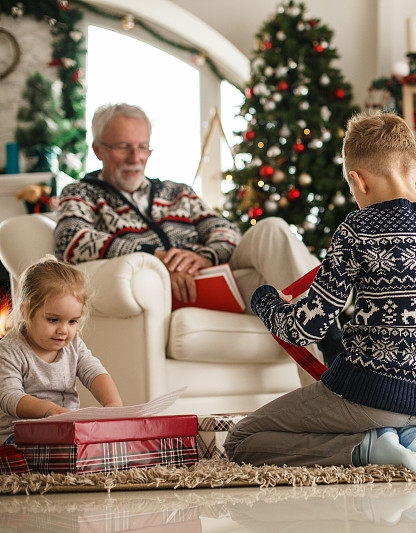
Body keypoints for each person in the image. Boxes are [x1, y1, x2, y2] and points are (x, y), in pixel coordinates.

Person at [224, 111, 416, 472]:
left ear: (358, 181)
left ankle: (367, 448)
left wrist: (265, 300)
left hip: (365, 393)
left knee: (242, 440)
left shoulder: (358, 229)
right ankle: (407, 436)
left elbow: (305, 329)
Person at [54, 103, 342, 366]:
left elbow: (225, 231)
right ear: (98, 149)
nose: (136, 157)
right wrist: (157, 259)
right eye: (123, 147)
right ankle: (334, 367)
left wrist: (203, 256)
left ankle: (331, 356)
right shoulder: (81, 193)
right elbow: (73, 240)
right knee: (280, 281)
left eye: (143, 147)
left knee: (272, 229)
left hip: (217, 279)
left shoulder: (177, 191)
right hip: (166, 292)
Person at [0, 256, 123, 444]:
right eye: (53, 320)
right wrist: (50, 410)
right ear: (25, 312)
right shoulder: (10, 350)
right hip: (18, 435)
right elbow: (9, 396)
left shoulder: (73, 345)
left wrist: (113, 405)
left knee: (108, 444)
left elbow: (95, 373)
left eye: (72, 321)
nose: (63, 330)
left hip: (66, 431)